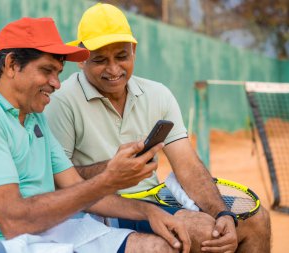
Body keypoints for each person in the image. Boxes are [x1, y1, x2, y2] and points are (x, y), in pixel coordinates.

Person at [0, 17, 193, 253]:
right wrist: (109, 179)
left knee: (160, 247)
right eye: (47, 70)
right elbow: (13, 221)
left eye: (58, 73)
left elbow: (77, 188)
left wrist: (149, 212)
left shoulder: (33, 118)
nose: (56, 83)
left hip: (41, 234)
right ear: (11, 64)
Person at [44, 3, 271, 253]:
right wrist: (113, 170)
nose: (113, 69)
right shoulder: (60, 101)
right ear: (81, 58)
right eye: (99, 60)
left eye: (121, 56)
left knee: (256, 221)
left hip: (155, 198)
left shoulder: (158, 94)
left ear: (134, 51)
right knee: (203, 231)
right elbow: (59, 182)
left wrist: (222, 213)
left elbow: (188, 166)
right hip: (99, 208)